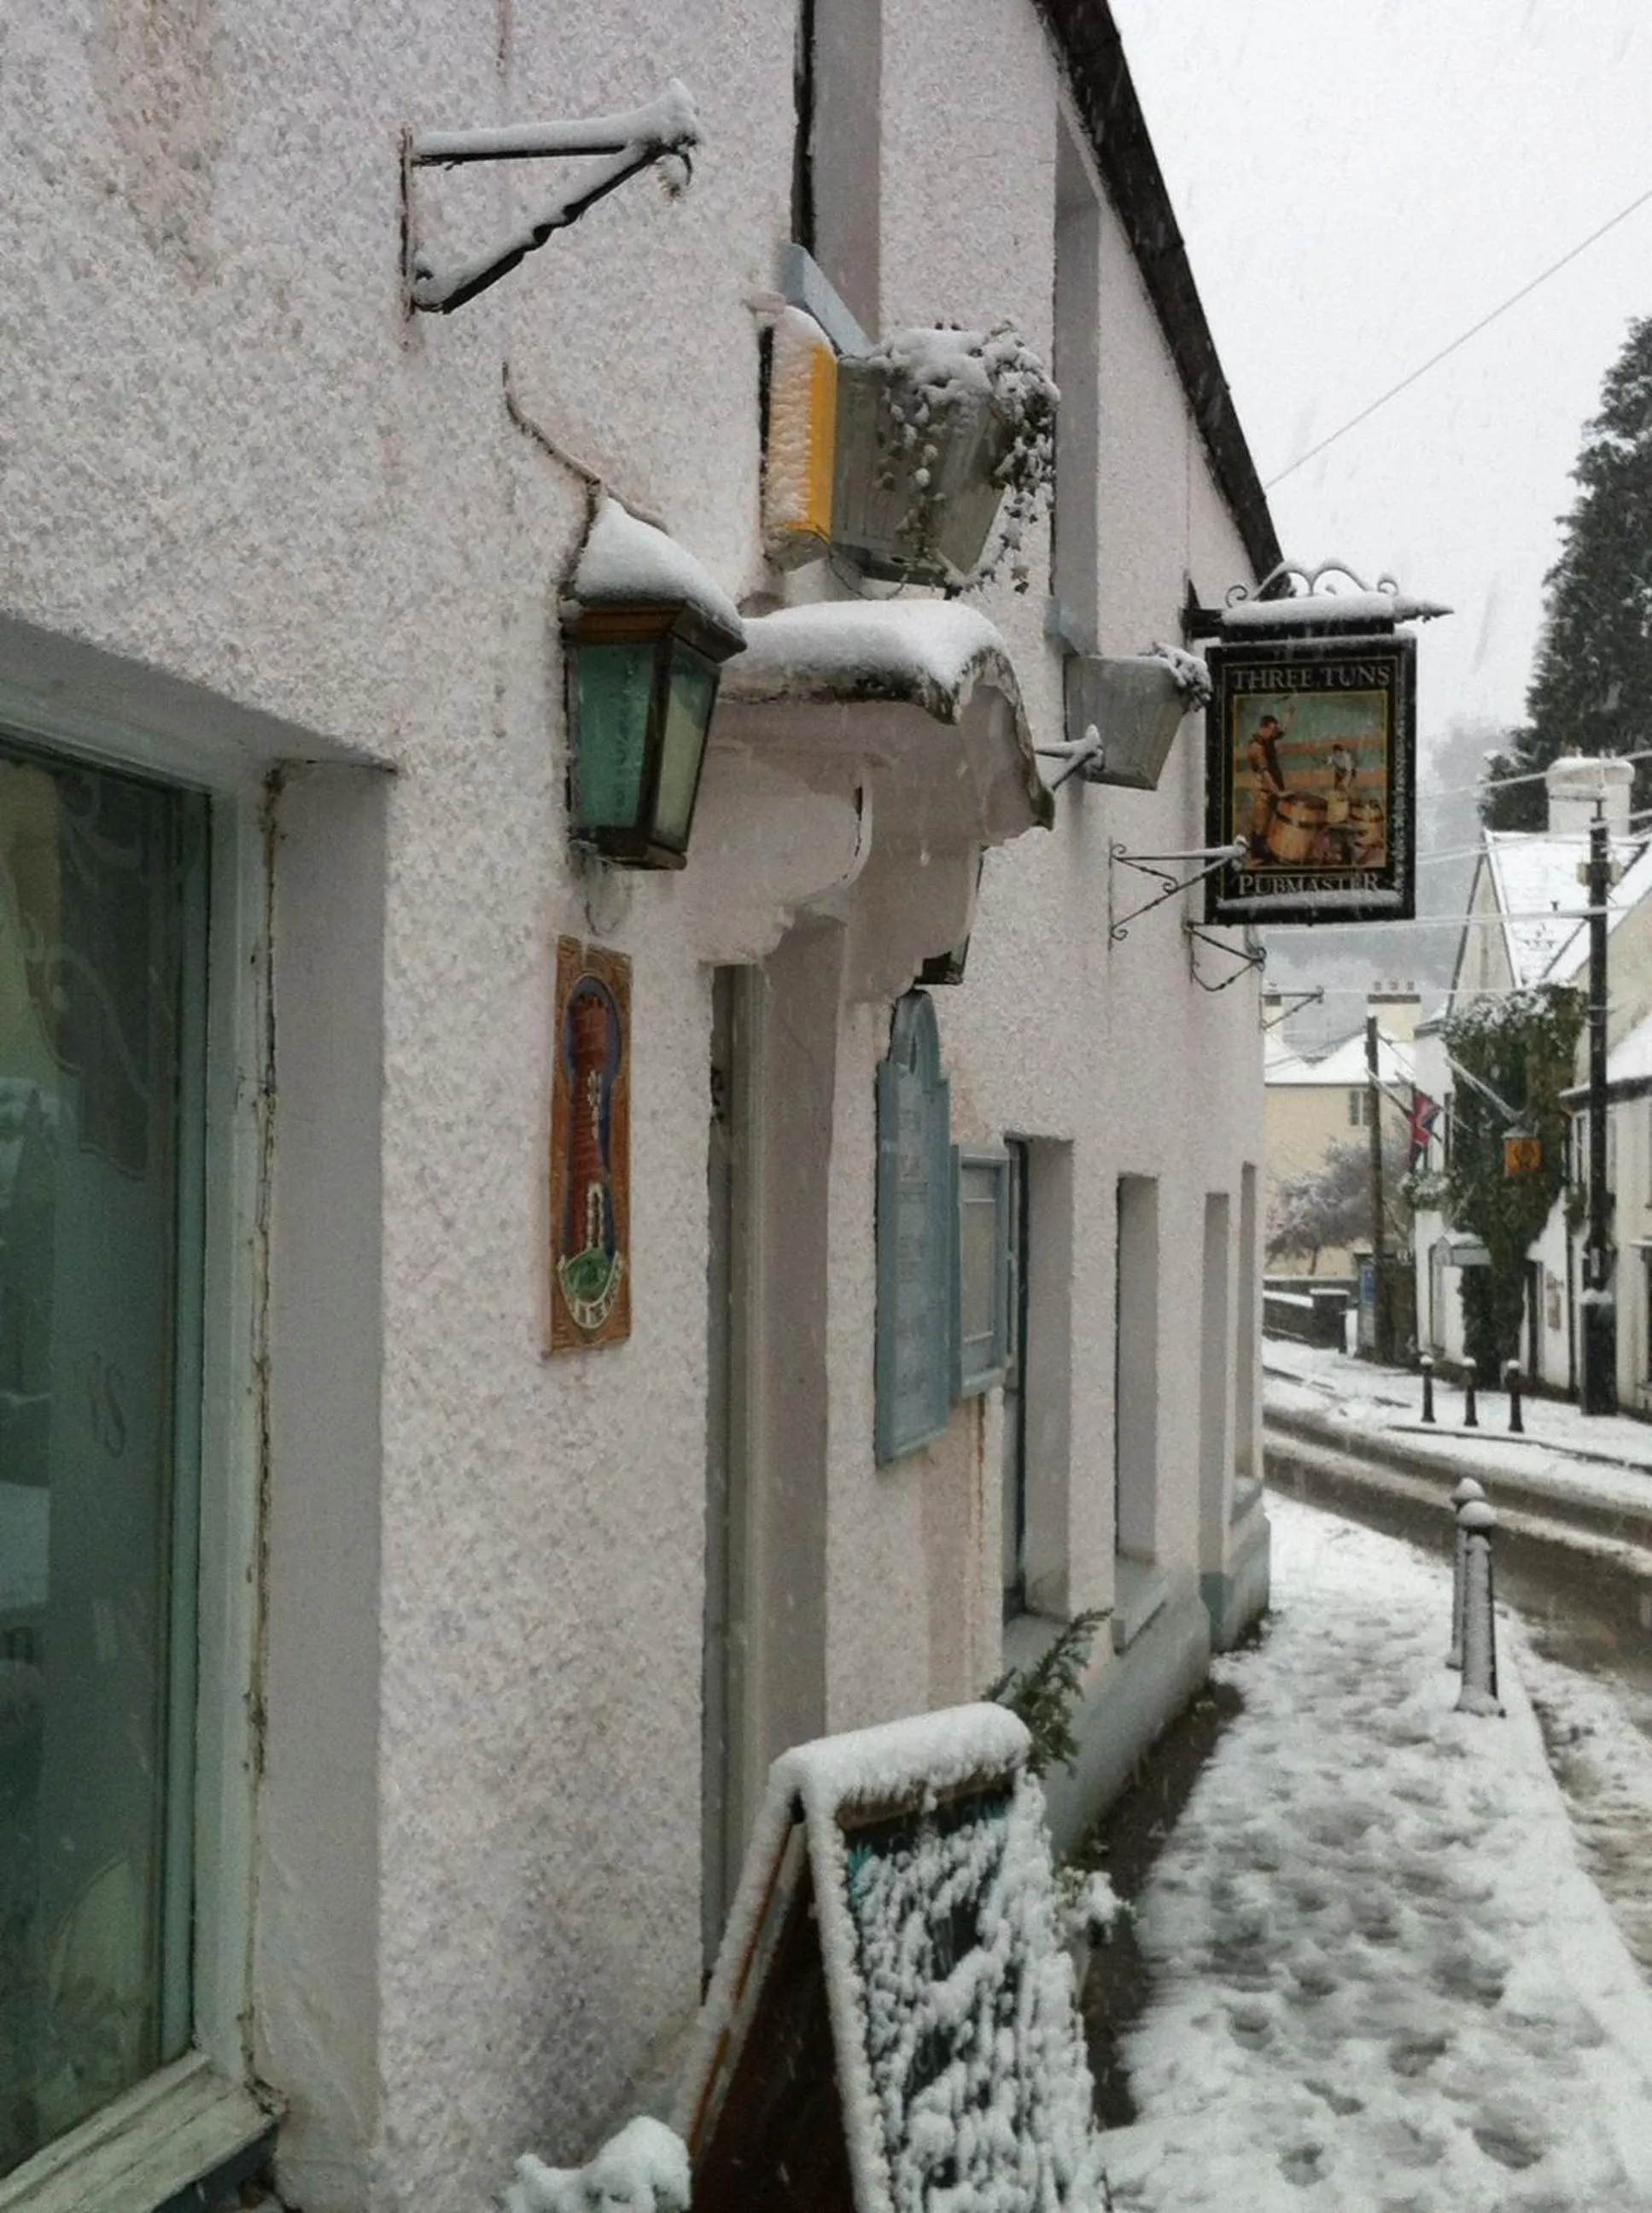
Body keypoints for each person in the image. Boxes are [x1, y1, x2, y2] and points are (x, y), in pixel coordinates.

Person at [1246, 709, 1292, 860]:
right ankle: (1258, 854)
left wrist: (1289, 715)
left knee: (1274, 818)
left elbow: (1282, 732)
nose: (1274, 733)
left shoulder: (1268, 738)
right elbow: (1264, 773)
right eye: (1272, 729)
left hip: (1273, 787)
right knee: (1262, 822)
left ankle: (1268, 850)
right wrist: (1278, 792)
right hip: (1264, 789)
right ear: (1264, 728)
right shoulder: (1256, 747)